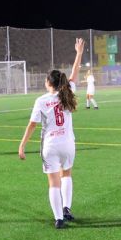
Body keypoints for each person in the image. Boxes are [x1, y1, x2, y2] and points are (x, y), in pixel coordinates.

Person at [18, 38, 85, 229]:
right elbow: (74, 73)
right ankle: (67, 209)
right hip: (68, 144)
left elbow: (32, 125)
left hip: (51, 146)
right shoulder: (68, 92)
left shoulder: (42, 100)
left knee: (53, 183)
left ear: (49, 83)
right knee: (67, 175)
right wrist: (79, 53)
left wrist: (22, 145)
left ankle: (59, 219)